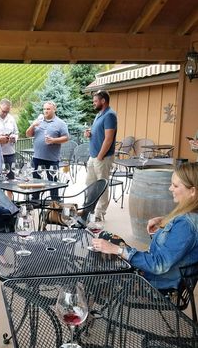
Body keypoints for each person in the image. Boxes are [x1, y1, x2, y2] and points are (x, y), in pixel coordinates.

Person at [92, 162, 198, 290]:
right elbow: (177, 246)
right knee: (105, 238)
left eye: (175, 185)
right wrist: (165, 224)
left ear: (192, 191)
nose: (170, 188)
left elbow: (159, 264)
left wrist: (117, 250)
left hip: (155, 283)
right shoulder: (189, 216)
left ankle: (83, 296)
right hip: (156, 274)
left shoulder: (186, 225)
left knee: (98, 273)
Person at [25, 100, 69, 199]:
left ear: (54, 109)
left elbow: (66, 138)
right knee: (35, 180)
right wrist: (32, 125)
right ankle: (35, 200)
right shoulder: (38, 121)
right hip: (37, 156)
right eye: (44, 109)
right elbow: (28, 134)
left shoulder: (60, 123)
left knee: (52, 181)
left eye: (48, 109)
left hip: (52, 158)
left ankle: (54, 202)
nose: (45, 111)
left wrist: (53, 140)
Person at [84, 90, 117, 221]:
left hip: (102, 157)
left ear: (103, 101)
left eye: (95, 101)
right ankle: (88, 210)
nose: (93, 103)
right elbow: (98, 133)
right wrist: (89, 134)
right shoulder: (99, 115)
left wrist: (100, 156)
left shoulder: (110, 115)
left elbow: (108, 139)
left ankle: (99, 214)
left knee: (102, 186)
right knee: (90, 184)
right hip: (93, 156)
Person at [0, 99, 19, 196]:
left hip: (10, 152)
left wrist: (14, 138)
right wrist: (0, 138)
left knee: (10, 178)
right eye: (3, 111)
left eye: (7, 112)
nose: (5, 114)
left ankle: (10, 202)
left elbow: (16, 132)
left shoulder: (11, 119)